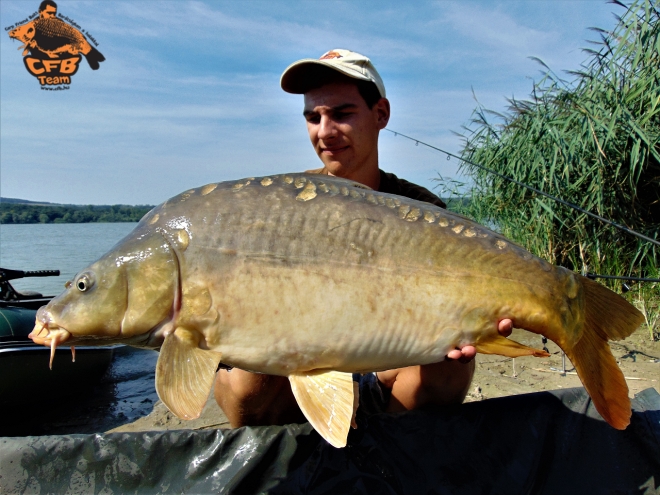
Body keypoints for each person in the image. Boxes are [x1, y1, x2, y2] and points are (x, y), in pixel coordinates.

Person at [214, 49, 513, 427]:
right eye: (313, 117)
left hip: (386, 367)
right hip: (298, 371)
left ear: (381, 114)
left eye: (341, 114)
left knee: (450, 367)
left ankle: (387, 456)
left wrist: (477, 320)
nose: (324, 131)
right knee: (246, 383)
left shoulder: (423, 211)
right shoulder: (284, 207)